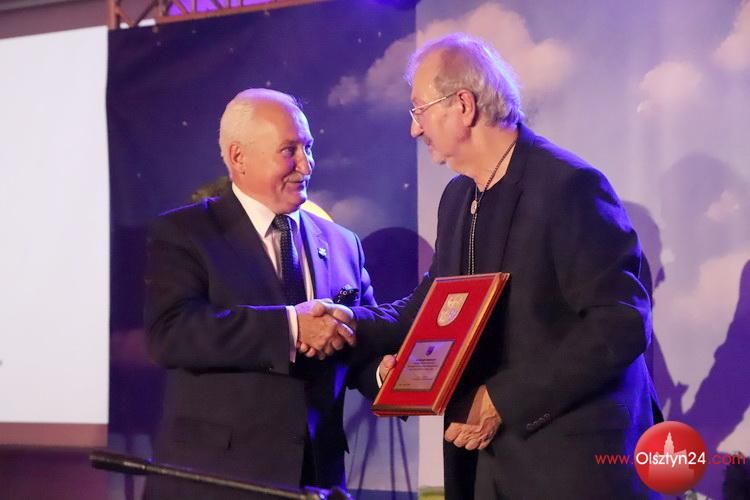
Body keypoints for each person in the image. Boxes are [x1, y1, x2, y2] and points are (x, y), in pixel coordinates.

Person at [336, 33, 663, 499]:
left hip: (570, 469)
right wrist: (347, 322)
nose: (414, 129)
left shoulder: (569, 187)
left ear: (462, 106)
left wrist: (502, 400)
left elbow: (620, 324)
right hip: (484, 468)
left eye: (419, 110)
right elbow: (433, 304)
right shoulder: (457, 197)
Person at [143, 88, 377, 499]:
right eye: (289, 150)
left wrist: (388, 373)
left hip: (316, 480)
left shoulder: (343, 243)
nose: (306, 164)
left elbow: (364, 340)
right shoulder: (185, 234)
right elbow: (172, 333)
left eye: (308, 147)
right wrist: (291, 328)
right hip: (216, 482)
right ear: (238, 158)